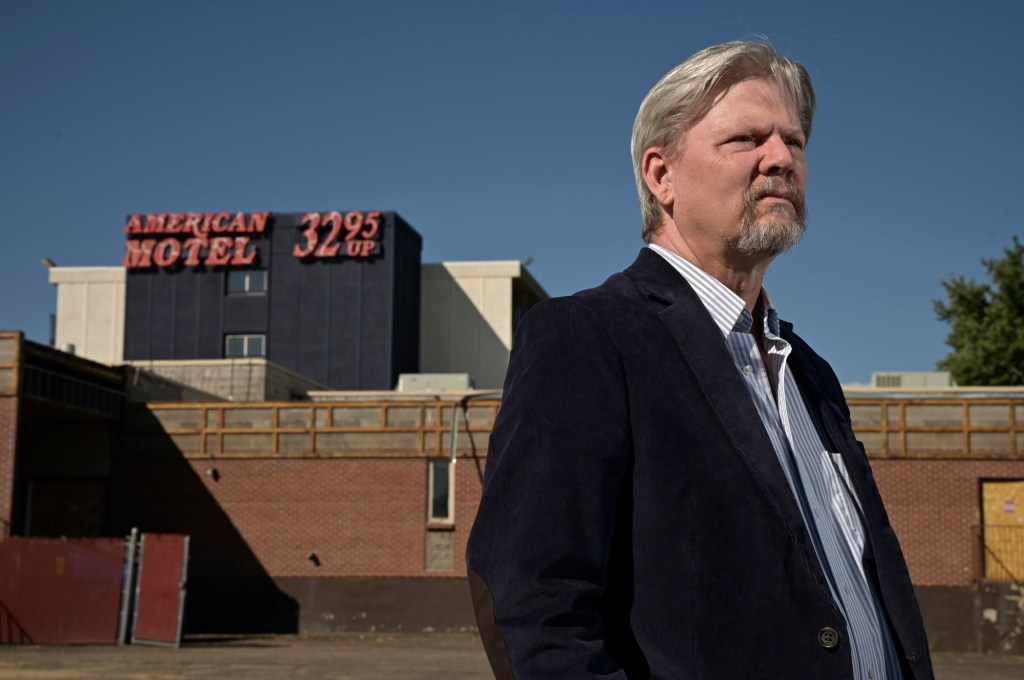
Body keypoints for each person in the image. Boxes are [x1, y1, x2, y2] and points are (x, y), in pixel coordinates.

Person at [466, 40, 934, 680]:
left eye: (794, 142)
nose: (781, 159)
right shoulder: (586, 337)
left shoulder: (811, 372)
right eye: (747, 139)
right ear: (662, 176)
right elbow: (535, 603)